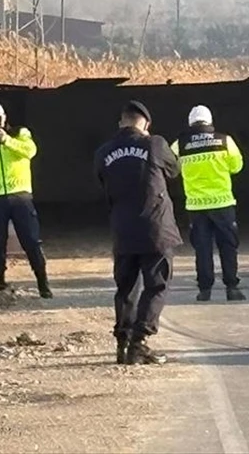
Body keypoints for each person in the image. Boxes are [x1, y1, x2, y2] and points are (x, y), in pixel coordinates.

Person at [93, 100, 181, 365]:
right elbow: (174, 171)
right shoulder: (155, 144)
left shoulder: (104, 152)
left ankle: (122, 342)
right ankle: (140, 341)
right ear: (145, 123)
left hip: (123, 229)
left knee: (126, 288)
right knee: (156, 285)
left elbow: (102, 181)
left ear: (121, 122)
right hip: (156, 229)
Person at [0, 101, 52, 298]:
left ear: (4, 117)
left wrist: (6, 140)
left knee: (30, 240)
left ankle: (43, 283)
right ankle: (0, 283)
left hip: (20, 195)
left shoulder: (19, 133)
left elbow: (30, 151)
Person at [170, 105, 246, 303]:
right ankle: (232, 287)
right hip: (223, 204)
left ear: (190, 122)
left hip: (196, 206)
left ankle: (205, 290)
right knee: (228, 246)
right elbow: (237, 166)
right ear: (210, 121)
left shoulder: (180, 145)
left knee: (202, 249)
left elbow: (170, 168)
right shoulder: (224, 141)